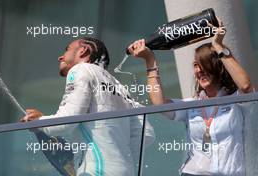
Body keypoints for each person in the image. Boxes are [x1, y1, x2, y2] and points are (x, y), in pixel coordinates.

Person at [128, 18, 256, 176]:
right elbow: (159, 104)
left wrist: (218, 46)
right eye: (196, 65)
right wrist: (150, 60)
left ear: (218, 67)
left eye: (204, 64)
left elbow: (245, 86)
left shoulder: (237, 100)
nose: (199, 70)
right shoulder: (192, 104)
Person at [20, 37, 155, 176]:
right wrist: (118, 153)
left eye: (67, 50)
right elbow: (147, 134)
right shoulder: (120, 87)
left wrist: (39, 122)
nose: (61, 57)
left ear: (83, 51)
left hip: (96, 171)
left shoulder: (80, 70)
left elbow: (67, 120)